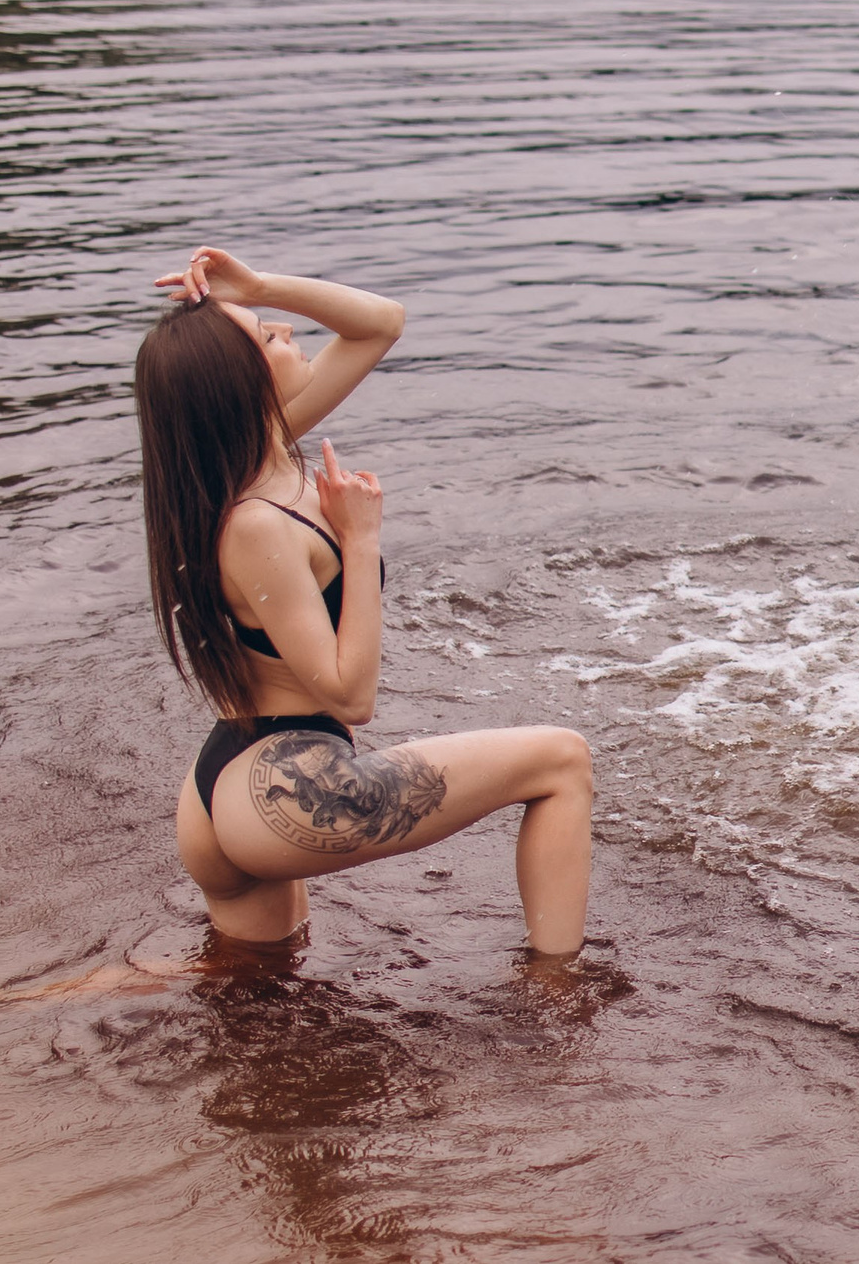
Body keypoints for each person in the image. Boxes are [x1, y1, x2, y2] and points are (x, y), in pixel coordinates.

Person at [134, 247, 592, 955]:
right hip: (281, 779)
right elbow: (351, 695)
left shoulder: (263, 451)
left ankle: (3, 1008)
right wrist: (361, 537)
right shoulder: (255, 525)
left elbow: (382, 323)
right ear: (241, 383)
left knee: (248, 984)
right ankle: (562, 998)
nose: (289, 334)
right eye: (268, 335)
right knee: (562, 762)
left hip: (229, 781)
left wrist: (258, 285)